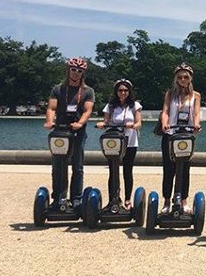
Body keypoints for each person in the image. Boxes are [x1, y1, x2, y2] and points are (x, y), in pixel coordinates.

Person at [43, 57, 95, 209]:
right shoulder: (58, 89)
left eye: (80, 71)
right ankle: (58, 196)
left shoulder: (87, 91)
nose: (76, 73)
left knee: (77, 165)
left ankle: (76, 198)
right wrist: (49, 121)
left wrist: (80, 123)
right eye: (74, 70)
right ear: (68, 70)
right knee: (57, 165)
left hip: (77, 131)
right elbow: (51, 108)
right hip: (60, 130)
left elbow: (88, 110)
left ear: (83, 73)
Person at [159, 63, 202, 214]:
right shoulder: (170, 94)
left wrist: (196, 125)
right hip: (171, 134)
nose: (183, 80)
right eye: (180, 77)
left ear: (190, 79)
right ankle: (166, 202)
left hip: (186, 136)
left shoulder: (195, 95)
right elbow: (165, 111)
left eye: (185, 77)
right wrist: (165, 123)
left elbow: (196, 114)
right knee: (168, 169)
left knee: (185, 169)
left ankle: (183, 201)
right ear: (176, 79)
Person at [96, 79, 142, 210]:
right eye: (120, 90)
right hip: (114, 142)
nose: (123, 93)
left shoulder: (135, 105)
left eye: (125, 90)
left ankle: (127, 200)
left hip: (130, 142)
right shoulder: (110, 106)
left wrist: (133, 125)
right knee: (113, 171)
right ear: (116, 92)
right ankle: (113, 199)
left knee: (128, 170)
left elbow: (139, 123)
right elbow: (106, 121)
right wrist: (102, 124)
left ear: (129, 92)